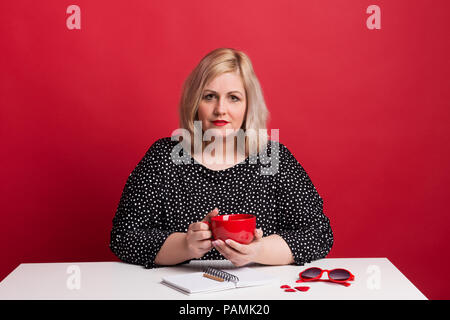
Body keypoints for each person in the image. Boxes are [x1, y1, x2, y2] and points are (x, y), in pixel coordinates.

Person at [109, 48, 333, 268]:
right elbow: (123, 237)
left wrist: (257, 251)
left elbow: (319, 234)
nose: (220, 109)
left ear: (248, 106)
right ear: (195, 103)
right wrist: (186, 245)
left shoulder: (273, 157)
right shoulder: (163, 157)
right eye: (209, 97)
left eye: (234, 98)